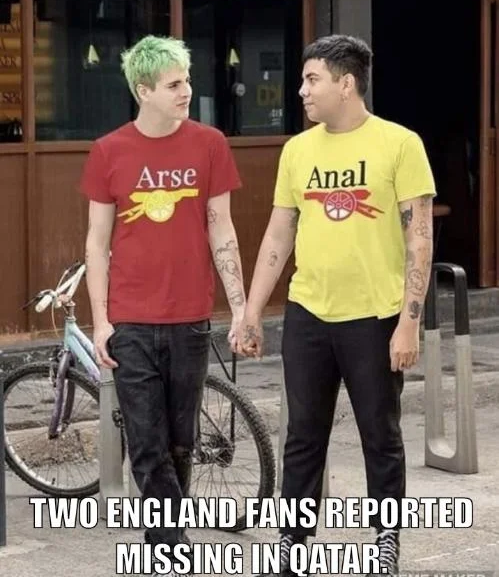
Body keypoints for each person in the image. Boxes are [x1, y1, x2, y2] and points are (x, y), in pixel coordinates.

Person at [236, 34, 436, 577]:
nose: (302, 90)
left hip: (374, 317)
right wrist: (252, 310)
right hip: (308, 314)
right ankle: (293, 544)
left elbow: (419, 238)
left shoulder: (400, 144)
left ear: (346, 84)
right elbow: (279, 232)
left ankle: (385, 540)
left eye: (312, 80)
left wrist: (409, 322)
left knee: (380, 435)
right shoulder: (297, 151)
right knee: (302, 436)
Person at [80, 35, 245, 576]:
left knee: (180, 443)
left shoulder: (210, 144)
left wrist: (240, 308)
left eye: (187, 80)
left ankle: (165, 544)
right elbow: (96, 243)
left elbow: (222, 228)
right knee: (148, 445)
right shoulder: (109, 151)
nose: (186, 91)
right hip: (130, 321)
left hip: (190, 318)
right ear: (143, 90)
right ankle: (172, 550)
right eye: (174, 84)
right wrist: (101, 321)